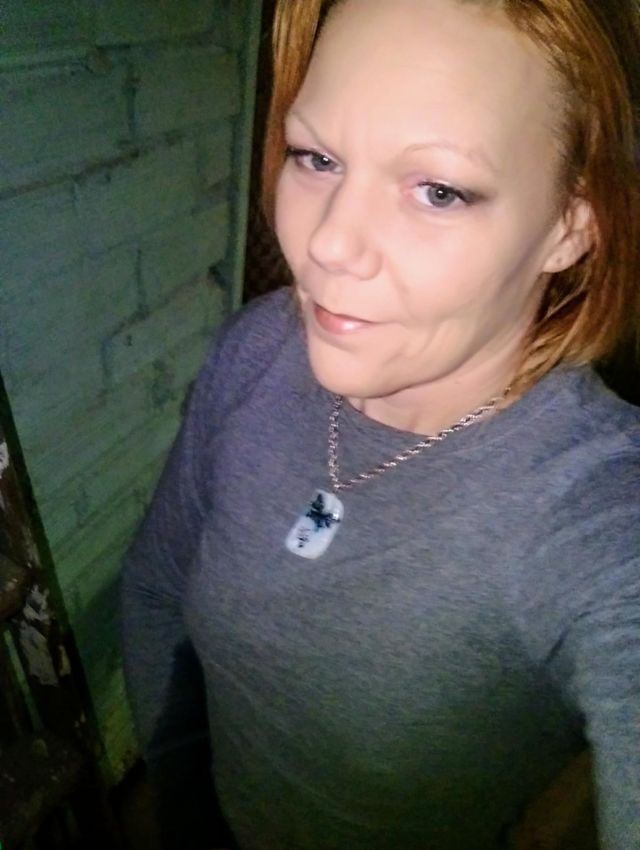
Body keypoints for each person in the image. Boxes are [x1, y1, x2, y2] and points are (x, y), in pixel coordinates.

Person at [121, 0, 640, 848]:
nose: (329, 243)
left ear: (569, 227)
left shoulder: (598, 519)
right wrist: (184, 806)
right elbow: (156, 587)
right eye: (316, 157)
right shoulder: (258, 351)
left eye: (438, 190)